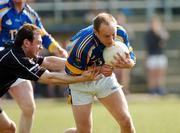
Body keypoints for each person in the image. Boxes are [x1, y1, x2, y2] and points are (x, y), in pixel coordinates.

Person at [0, 23, 101, 133]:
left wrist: (82, 65)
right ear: (26, 43)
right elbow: (50, 78)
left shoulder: (20, 52)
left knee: (8, 128)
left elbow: (48, 61)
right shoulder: (17, 58)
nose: (41, 47)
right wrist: (83, 78)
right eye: (39, 43)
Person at [0, 0, 68, 133]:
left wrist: (58, 49)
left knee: (29, 108)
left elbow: (43, 35)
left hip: (20, 64)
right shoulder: (2, 10)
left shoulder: (31, 14)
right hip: (4, 62)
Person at [64, 12, 136, 133]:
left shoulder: (121, 33)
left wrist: (129, 63)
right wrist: (99, 68)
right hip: (80, 83)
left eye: (114, 34)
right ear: (96, 33)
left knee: (126, 122)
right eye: (107, 36)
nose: (112, 40)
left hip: (104, 79)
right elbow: (70, 73)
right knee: (84, 131)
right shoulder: (81, 47)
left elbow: (131, 56)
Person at [144, 15, 169, 95]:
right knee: (152, 74)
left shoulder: (161, 32)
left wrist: (158, 33)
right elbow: (149, 45)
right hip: (152, 56)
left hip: (160, 55)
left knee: (160, 74)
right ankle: (152, 90)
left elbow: (164, 39)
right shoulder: (148, 33)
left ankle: (160, 89)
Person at [114, 12, 135, 94]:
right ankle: (115, 90)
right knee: (114, 73)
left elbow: (129, 43)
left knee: (125, 72)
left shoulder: (126, 30)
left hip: (124, 55)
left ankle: (124, 89)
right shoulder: (112, 30)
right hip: (114, 55)